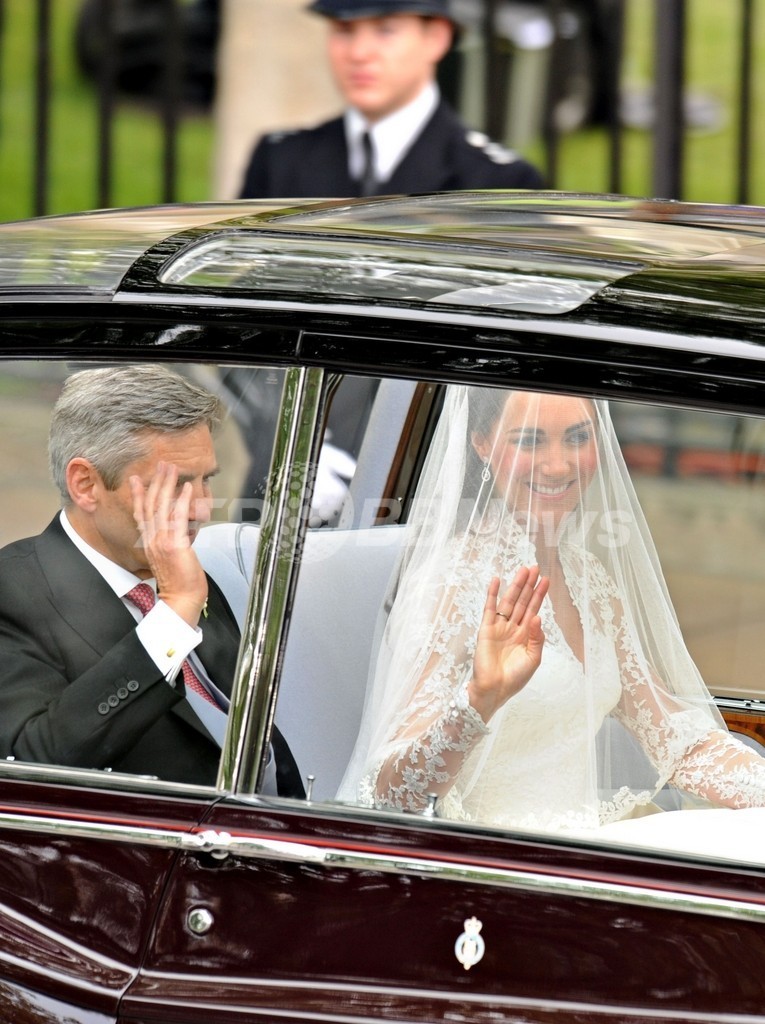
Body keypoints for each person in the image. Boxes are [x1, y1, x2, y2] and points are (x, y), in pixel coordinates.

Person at [338, 386, 765, 832]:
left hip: (584, 841)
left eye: (578, 438)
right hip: (494, 856)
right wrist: (477, 703)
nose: (559, 465)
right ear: (482, 445)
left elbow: (679, 744)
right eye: (530, 441)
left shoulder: (591, 580)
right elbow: (389, 797)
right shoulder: (451, 583)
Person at [0, 364, 303, 793]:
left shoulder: (185, 573)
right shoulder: (13, 591)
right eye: (175, 485)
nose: (201, 508)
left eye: (206, 480)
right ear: (86, 484)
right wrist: (174, 614)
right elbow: (33, 763)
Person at [239, 0, 544, 201]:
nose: (359, 53)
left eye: (385, 30)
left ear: (436, 38)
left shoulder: (500, 182)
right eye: (344, 29)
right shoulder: (279, 160)